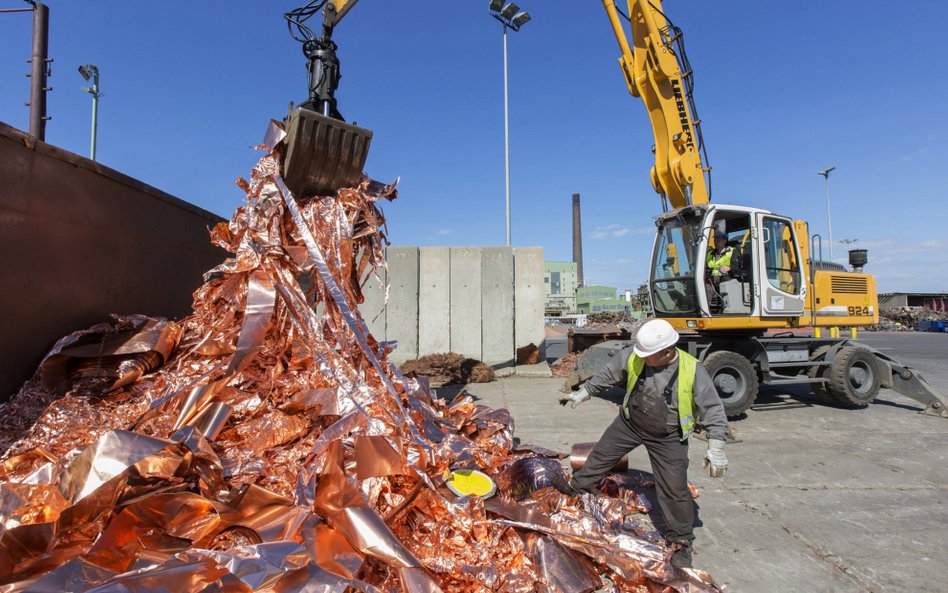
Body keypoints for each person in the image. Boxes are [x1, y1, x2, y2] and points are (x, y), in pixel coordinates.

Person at [559, 318, 729, 569]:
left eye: (648, 355)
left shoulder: (692, 370)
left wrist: (716, 447)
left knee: (674, 488)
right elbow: (608, 374)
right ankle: (578, 489)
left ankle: (681, 540)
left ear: (667, 351)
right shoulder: (635, 356)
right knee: (600, 457)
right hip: (630, 423)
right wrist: (584, 392)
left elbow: (713, 409)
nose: (642, 358)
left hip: (668, 436)